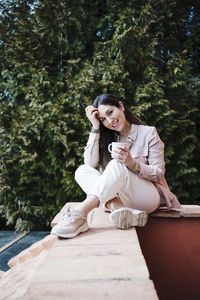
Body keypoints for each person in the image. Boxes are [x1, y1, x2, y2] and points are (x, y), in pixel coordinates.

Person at [51, 94, 181, 238]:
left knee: (116, 164)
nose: (109, 121)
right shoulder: (108, 137)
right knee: (81, 170)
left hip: (147, 197)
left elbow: (158, 173)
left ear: (121, 106)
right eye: (103, 119)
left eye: (110, 112)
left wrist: (132, 163)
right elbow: (90, 164)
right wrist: (95, 128)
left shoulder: (148, 132)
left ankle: (80, 214)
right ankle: (119, 209)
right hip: (122, 197)